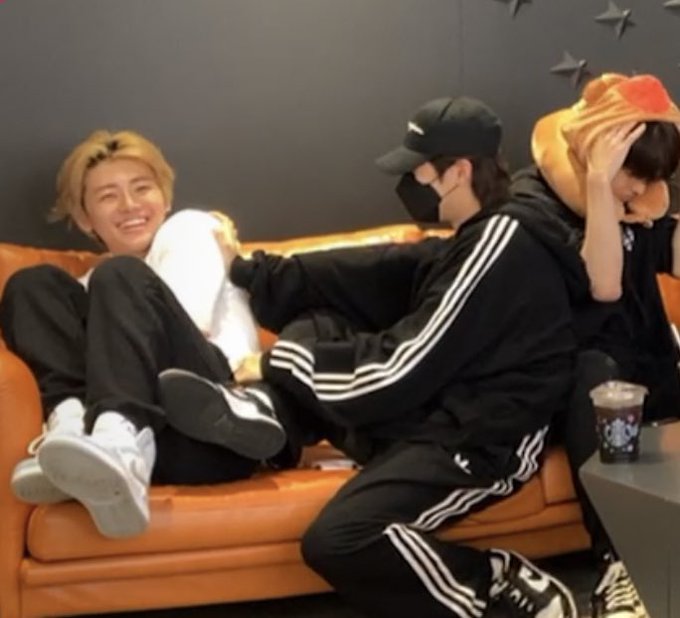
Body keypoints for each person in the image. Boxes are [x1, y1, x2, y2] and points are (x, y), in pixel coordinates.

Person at [159, 97, 583, 617]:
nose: (409, 184)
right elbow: (371, 270)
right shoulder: (472, 237)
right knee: (320, 317)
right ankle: (261, 413)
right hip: (435, 414)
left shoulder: (502, 242)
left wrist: (275, 363)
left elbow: (403, 365)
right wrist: (250, 270)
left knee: (338, 539)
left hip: (482, 439)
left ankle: (495, 582)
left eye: (417, 171)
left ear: (458, 171)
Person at [0, 130, 289, 538]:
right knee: (31, 284)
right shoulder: (89, 288)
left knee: (119, 275)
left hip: (210, 428)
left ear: (165, 198)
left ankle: (116, 438)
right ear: (85, 218)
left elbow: (187, 322)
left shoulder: (189, 229)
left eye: (142, 188)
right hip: (152, 449)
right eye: (108, 196)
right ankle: (69, 434)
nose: (130, 205)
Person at [511, 72, 680, 618]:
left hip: (653, 366)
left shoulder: (643, 202)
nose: (637, 189)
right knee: (599, 380)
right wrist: (601, 184)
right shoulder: (533, 204)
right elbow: (603, 283)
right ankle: (618, 564)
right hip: (582, 382)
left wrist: (637, 192)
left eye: (650, 178)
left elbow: (670, 248)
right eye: (633, 173)